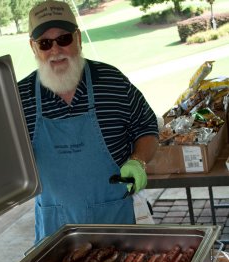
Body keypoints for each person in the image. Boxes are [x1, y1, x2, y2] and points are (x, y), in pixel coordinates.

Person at [18, 0, 159, 243]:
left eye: (64, 39)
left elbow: (146, 127)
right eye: (44, 43)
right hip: (55, 235)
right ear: (33, 47)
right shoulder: (20, 99)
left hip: (116, 224)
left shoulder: (112, 82)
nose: (55, 50)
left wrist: (138, 161)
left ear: (78, 38)